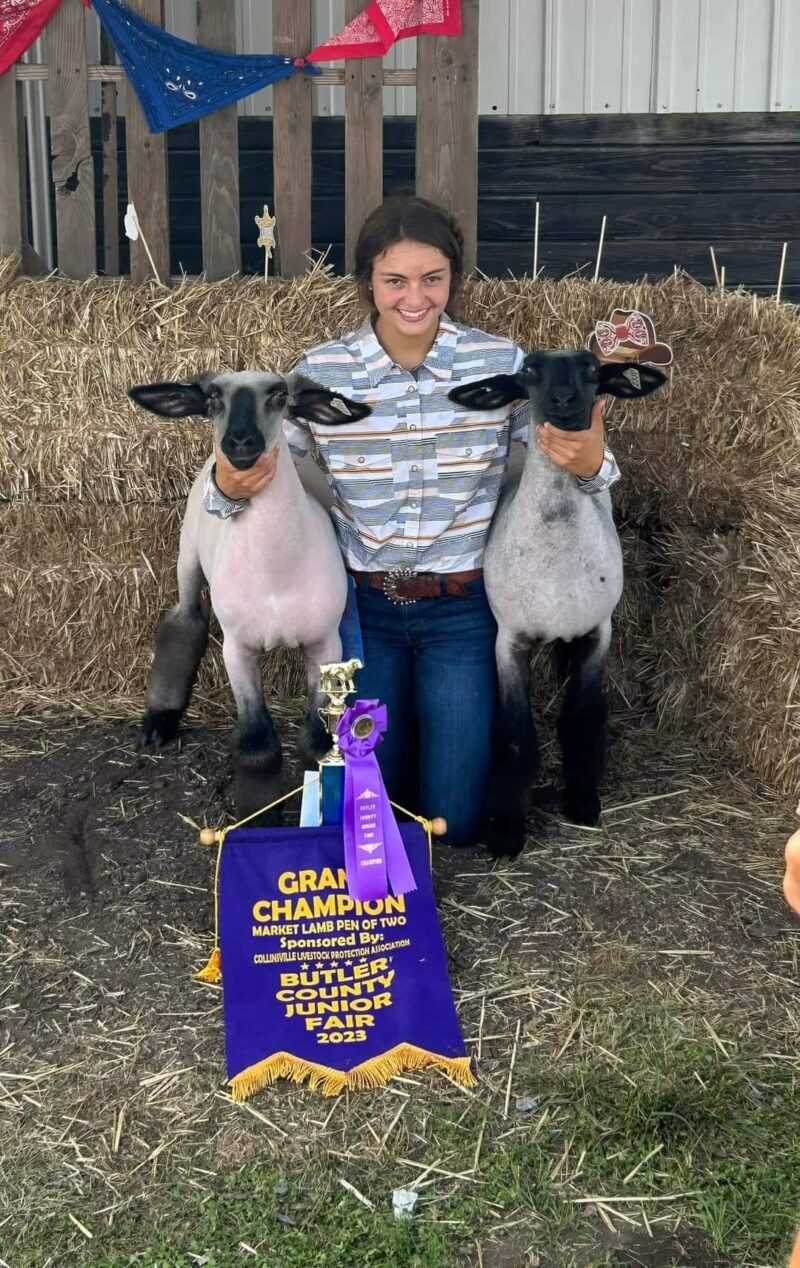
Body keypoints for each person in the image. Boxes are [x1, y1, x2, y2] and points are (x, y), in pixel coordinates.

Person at [204, 195, 620, 848]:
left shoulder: (500, 362)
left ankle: (447, 731)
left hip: (462, 607)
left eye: (433, 279)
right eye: (395, 280)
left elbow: (565, 454)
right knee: (375, 815)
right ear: (368, 279)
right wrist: (227, 486)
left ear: (454, 278)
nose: (414, 298)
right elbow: (268, 469)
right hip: (362, 609)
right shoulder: (322, 371)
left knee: (452, 822)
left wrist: (594, 459)